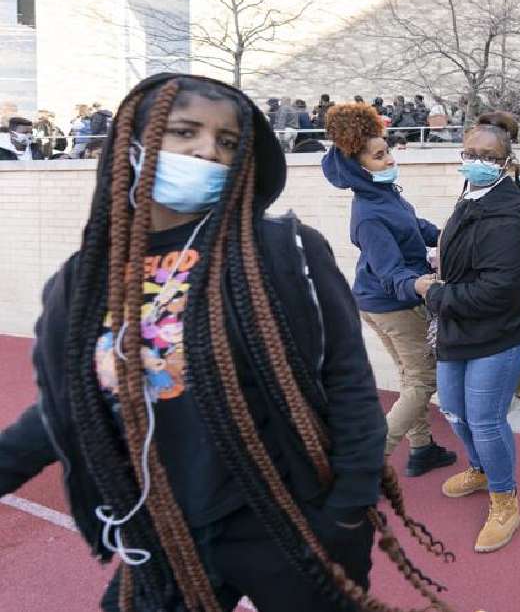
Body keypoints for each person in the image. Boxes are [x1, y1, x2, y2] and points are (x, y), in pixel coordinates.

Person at [0, 74, 451, 611]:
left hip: (290, 523)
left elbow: (348, 385)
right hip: (166, 529)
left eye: (228, 142)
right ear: (135, 145)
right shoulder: (87, 278)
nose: (207, 151)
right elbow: (68, 406)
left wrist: (346, 509)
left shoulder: (288, 252)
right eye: (184, 132)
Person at [417, 111, 520, 554]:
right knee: (453, 407)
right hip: (465, 320)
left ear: (506, 161)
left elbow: (498, 290)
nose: (476, 160)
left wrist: (434, 294)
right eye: (470, 153)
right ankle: (479, 468)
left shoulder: (509, 215)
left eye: (487, 155)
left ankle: (504, 499)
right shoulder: (472, 194)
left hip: (502, 328)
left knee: (485, 418)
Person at [321, 103, 457, 479]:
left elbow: (417, 228)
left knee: (407, 375)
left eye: (388, 151)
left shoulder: (386, 196)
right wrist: (420, 284)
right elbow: (389, 272)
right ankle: (366, 463)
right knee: (423, 379)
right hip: (390, 304)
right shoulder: (368, 214)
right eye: (380, 156)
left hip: (380, 302)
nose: (390, 159)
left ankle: (422, 449)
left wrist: (452, 234)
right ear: (358, 166)